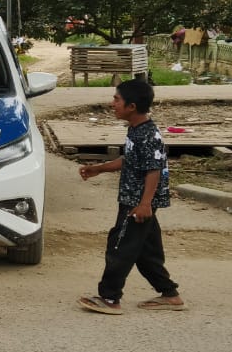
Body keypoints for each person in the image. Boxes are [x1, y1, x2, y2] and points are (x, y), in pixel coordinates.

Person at [77, 78, 185, 314]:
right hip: (136, 202)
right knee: (146, 252)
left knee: (120, 247)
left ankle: (109, 298)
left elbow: (153, 169)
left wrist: (145, 204)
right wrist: (99, 168)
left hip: (137, 204)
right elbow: (130, 160)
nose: (112, 103)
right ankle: (170, 294)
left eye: (117, 99)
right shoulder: (136, 130)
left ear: (132, 106)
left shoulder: (147, 135)